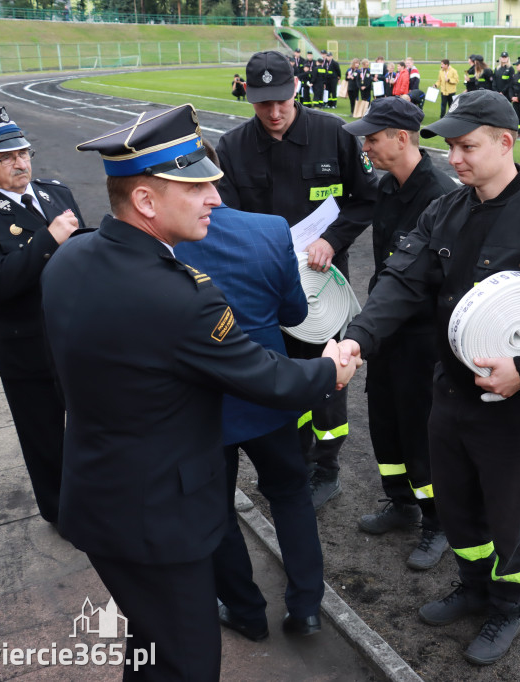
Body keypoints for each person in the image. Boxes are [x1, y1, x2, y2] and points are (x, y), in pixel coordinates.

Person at [44, 103, 356, 680]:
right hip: (158, 517)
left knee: (148, 645)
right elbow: (271, 379)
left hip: (96, 498)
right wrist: (331, 369)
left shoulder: (70, 257)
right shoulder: (182, 297)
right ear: (146, 202)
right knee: (188, 663)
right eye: (196, 187)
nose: (215, 198)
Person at [337, 89, 520, 665]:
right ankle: (471, 584)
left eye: (467, 146)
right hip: (450, 391)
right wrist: (358, 338)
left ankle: (507, 605)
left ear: (505, 143)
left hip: (510, 401)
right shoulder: (445, 211)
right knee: (458, 502)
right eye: (452, 147)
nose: (455, 158)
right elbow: (403, 281)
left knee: (511, 511)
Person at [170, 139, 328, 643]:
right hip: (266, 392)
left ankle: (245, 609)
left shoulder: (161, 243)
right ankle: (306, 607)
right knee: (290, 494)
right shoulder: (268, 230)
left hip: (198, 406)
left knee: (214, 510)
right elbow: (296, 316)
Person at [216, 51, 379, 508]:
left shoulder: (335, 135)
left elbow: (365, 200)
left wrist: (333, 238)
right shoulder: (232, 148)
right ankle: (293, 460)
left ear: (296, 90)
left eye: (282, 101)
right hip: (263, 290)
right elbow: (223, 218)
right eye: (263, 103)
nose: (274, 112)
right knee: (276, 378)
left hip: (322, 286)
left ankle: (326, 468)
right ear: (248, 97)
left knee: (326, 376)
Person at [0, 107, 85, 528]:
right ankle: (64, 516)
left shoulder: (54, 192)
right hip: (28, 348)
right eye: (6, 157)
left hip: (78, 337)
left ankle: (100, 501)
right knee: (45, 441)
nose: (20, 163)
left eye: (24, 152)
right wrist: (48, 238)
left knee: (91, 429)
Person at [341, 97, 458, 570]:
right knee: (384, 420)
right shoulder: (387, 186)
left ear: (402, 138)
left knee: (419, 429)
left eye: (372, 137)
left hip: (421, 337)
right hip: (386, 329)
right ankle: (401, 501)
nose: (365, 146)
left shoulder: (440, 196)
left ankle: (438, 521)